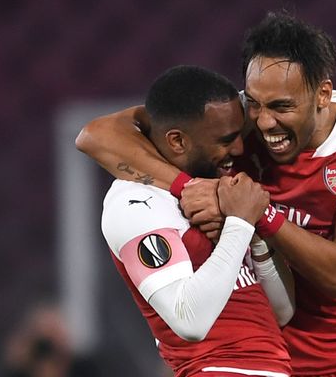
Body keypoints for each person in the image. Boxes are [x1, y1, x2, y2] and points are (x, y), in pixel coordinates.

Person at [76, 12, 336, 376]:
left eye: (281, 107)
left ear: (322, 93)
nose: (263, 122)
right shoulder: (235, 121)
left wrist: (258, 214)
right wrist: (193, 187)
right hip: (276, 358)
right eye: (255, 104)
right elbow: (96, 136)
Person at [93, 65, 294, 377]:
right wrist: (240, 223)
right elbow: (189, 320)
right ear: (177, 142)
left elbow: (281, 312)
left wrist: (253, 233)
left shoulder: (221, 195)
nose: (239, 148)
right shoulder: (136, 203)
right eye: (226, 139)